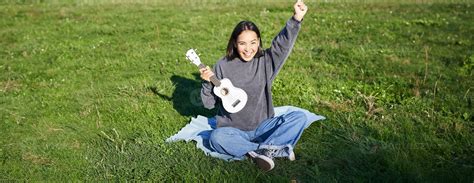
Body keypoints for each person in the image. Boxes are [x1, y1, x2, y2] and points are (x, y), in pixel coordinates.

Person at [199, 0, 308, 171]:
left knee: (299, 117)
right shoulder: (222, 65)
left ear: (258, 42)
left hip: (264, 126)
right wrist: (206, 83)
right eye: (242, 43)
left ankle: (258, 151)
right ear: (235, 43)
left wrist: (296, 19)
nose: (248, 49)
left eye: (253, 42)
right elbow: (208, 104)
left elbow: (282, 45)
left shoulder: (265, 61)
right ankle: (271, 150)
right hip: (233, 130)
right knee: (216, 138)